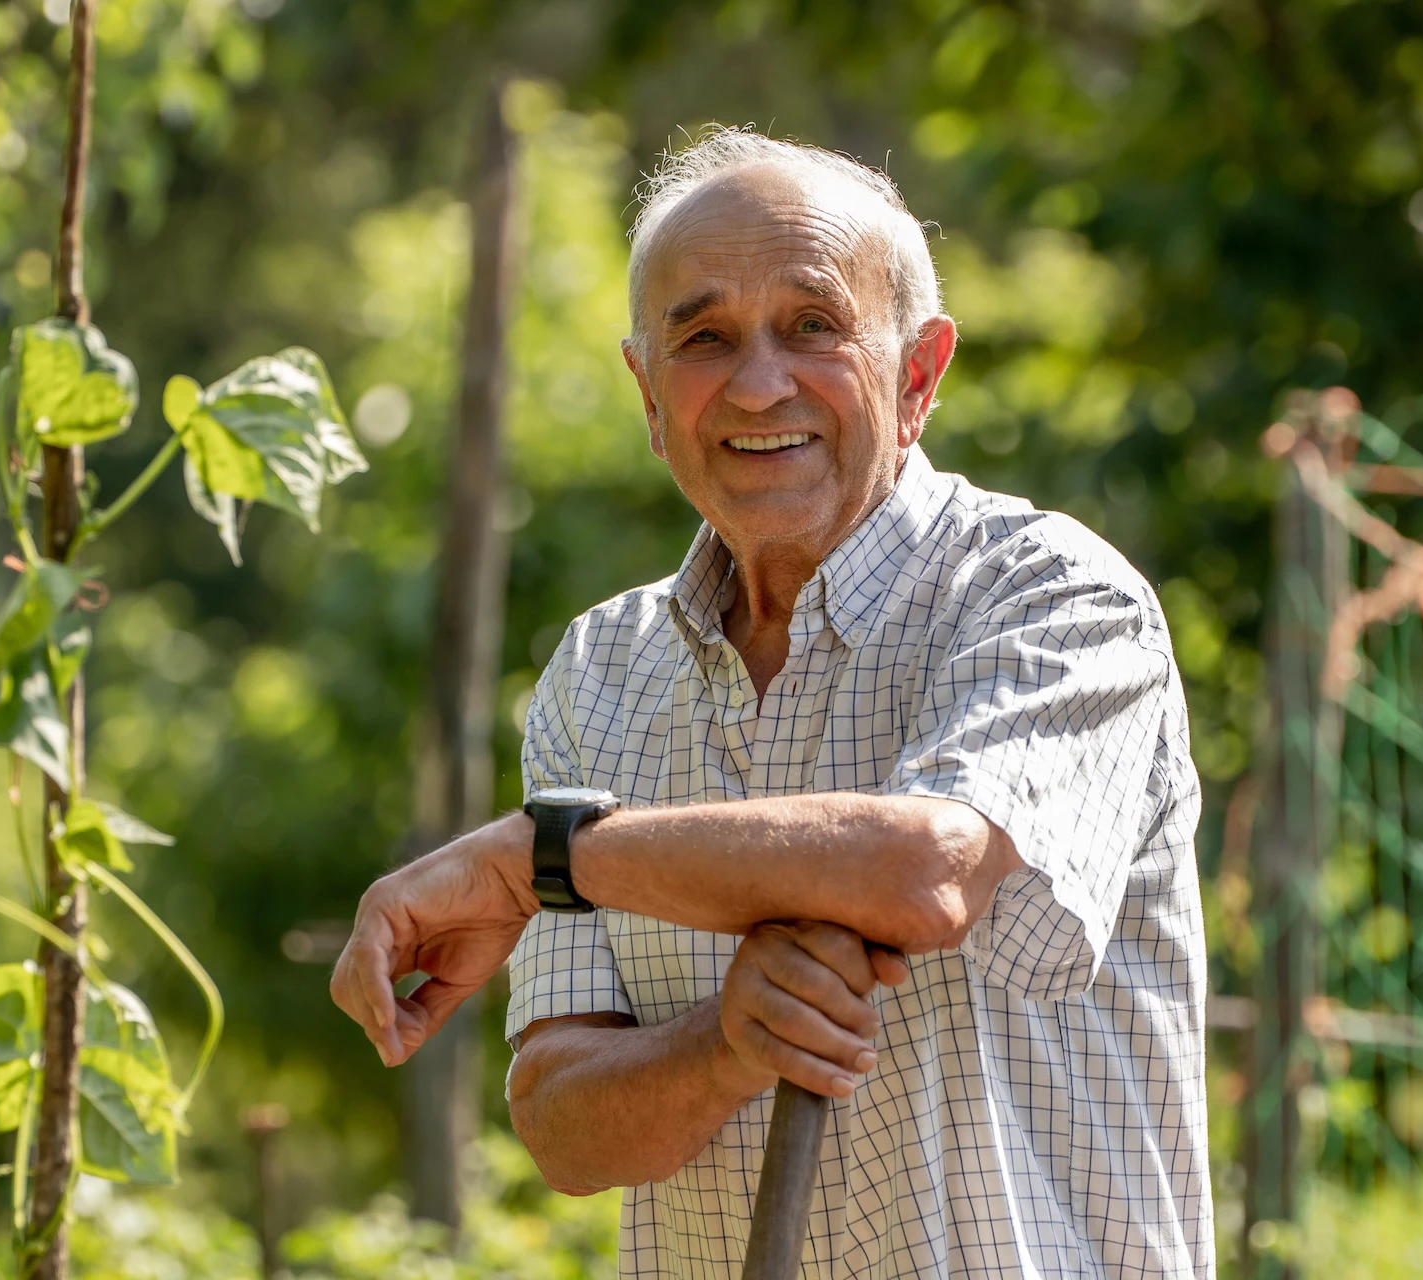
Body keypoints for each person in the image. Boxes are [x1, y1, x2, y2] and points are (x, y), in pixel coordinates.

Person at [332, 127, 1211, 1278]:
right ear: (650, 393)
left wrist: (535, 857)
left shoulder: (1048, 592)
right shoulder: (601, 671)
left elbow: (928, 868)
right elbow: (561, 1121)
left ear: (918, 372)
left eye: (813, 325)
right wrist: (726, 1041)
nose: (757, 384)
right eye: (703, 338)